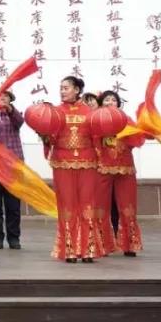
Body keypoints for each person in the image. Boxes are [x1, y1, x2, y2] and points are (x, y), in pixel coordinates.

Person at [49, 76, 105, 263]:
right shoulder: (55, 112)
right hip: (62, 163)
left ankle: (88, 249)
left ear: (77, 90)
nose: (62, 91)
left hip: (87, 162)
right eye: (61, 88)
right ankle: (69, 250)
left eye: (66, 88)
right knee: (67, 204)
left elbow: (97, 137)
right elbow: (51, 138)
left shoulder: (90, 112)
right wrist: (44, 134)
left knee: (88, 204)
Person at [96, 91, 144, 257]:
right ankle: (103, 244)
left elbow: (137, 140)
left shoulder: (127, 120)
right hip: (102, 168)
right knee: (101, 208)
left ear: (118, 103)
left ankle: (129, 245)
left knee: (128, 207)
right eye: (107, 99)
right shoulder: (95, 120)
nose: (110, 102)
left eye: (113, 100)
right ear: (101, 103)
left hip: (125, 168)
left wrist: (124, 133)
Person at [0, 90, 24, 250]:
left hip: (12, 166)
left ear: (10, 99)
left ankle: (14, 237)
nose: (2, 98)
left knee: (13, 206)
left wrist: (9, 109)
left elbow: (19, 121)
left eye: (5, 96)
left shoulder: (13, 115)